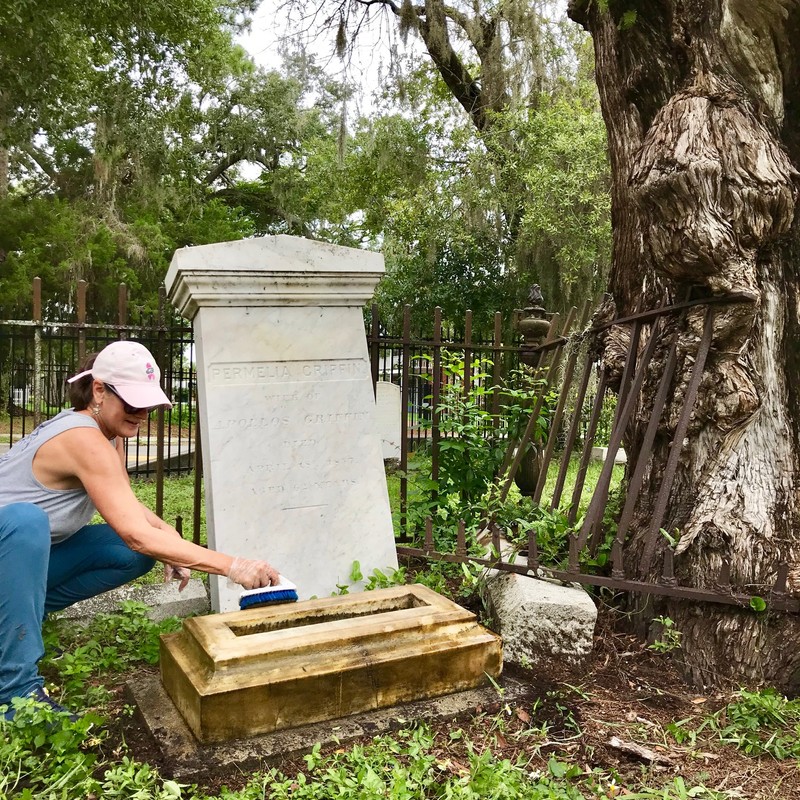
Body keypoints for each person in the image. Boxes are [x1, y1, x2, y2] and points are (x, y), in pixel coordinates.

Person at [0, 340, 280, 720]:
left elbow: (130, 511)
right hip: (10, 545)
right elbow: (135, 530)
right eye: (133, 403)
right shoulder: (83, 438)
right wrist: (234, 566)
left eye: (148, 404)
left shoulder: (103, 433)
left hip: (11, 566)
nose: (143, 413)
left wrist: (172, 542)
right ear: (99, 389)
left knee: (130, 554)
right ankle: (16, 695)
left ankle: (15, 620)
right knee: (27, 522)